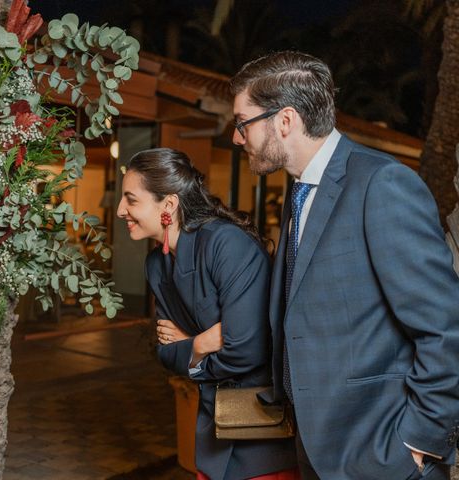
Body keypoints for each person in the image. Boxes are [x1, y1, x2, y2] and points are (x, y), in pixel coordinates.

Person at [230, 50, 459, 480]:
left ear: (285, 120)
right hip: (318, 450)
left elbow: (446, 328)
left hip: (383, 457)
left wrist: (417, 441)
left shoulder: (382, 184)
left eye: (243, 123)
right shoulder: (302, 194)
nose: (237, 137)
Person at [116, 148, 298, 480]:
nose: (119, 210)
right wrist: (201, 342)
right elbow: (165, 352)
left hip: (260, 433)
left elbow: (247, 349)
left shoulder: (225, 243)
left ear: (168, 205)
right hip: (211, 429)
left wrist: (190, 348)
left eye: (131, 200)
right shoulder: (156, 264)